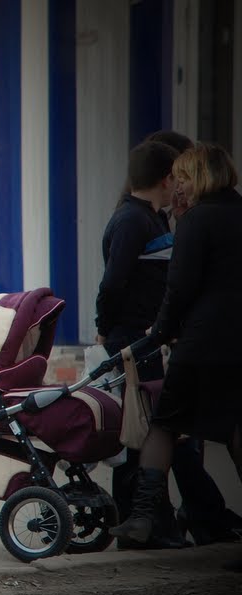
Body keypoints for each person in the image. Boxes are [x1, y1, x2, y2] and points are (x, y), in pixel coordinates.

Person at [110, 144, 242, 554]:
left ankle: (143, 517)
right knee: (237, 428)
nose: (178, 185)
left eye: (184, 177)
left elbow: (179, 287)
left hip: (200, 340)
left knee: (165, 424)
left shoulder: (197, 221)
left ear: (199, 177)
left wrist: (160, 331)